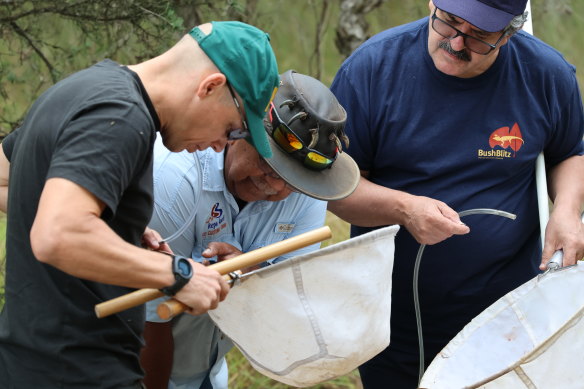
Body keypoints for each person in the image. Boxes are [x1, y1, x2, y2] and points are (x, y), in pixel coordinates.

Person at [0, 21, 280, 388]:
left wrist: (107, 225)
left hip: (28, 361)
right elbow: (57, 234)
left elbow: (10, 178)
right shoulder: (122, 118)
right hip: (78, 370)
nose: (219, 146)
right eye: (232, 130)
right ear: (211, 87)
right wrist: (180, 274)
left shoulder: (86, 88)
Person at [328, 0, 584, 388]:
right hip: (394, 319)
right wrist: (404, 208)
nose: (457, 43)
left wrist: (566, 209)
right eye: (448, 22)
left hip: (508, 318)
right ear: (433, 3)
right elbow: (337, 192)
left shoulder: (546, 74)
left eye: (480, 36)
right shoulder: (371, 70)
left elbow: (569, 153)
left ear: (511, 31)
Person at [140, 70, 360, 389]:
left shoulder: (306, 191)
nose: (274, 186)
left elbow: (292, 299)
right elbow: (148, 317)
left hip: (206, 367)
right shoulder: (172, 181)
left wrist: (252, 272)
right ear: (243, 128)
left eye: (291, 180)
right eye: (268, 162)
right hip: (131, 367)